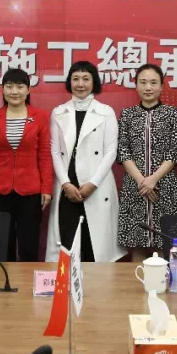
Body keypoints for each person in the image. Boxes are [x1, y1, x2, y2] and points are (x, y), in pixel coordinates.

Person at [47, 61, 126, 263]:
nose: (80, 84)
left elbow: (110, 152)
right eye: (75, 79)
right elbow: (55, 151)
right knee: (67, 246)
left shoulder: (106, 111)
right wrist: (65, 183)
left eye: (85, 79)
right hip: (68, 187)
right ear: (69, 82)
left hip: (96, 186)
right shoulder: (59, 112)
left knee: (94, 248)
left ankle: (97, 285)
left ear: (94, 82)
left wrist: (93, 184)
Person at [0, 68, 53, 261]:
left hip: (31, 191)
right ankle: (7, 279)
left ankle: (27, 280)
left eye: (20, 87)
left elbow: (44, 154)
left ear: (28, 90)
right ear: (2, 89)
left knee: (29, 246)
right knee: (3, 246)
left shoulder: (40, 116)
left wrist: (46, 188)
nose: (14, 91)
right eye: (9, 86)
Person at [117, 63, 177, 262]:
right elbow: (123, 151)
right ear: (136, 86)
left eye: (153, 83)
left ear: (162, 86)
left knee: (165, 244)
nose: (148, 87)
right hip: (135, 188)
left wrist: (153, 179)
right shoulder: (127, 115)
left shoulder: (172, 114)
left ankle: (166, 281)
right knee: (137, 244)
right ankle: (136, 282)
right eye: (143, 82)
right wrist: (142, 181)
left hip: (164, 187)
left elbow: (175, 151)